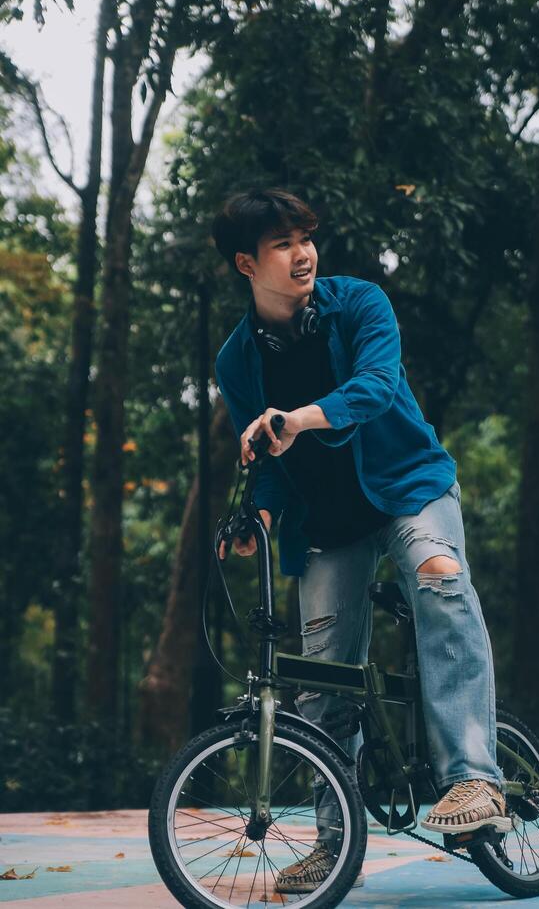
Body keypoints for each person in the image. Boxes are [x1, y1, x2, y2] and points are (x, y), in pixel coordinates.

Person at [213, 187, 510, 893]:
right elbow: (267, 466)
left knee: (440, 577)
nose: (302, 253)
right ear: (246, 264)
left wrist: (300, 417)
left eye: (305, 238)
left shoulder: (360, 303)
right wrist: (256, 518)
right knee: (319, 673)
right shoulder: (236, 363)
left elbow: (376, 385)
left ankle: (474, 781)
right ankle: (333, 839)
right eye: (283, 244)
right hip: (329, 525)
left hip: (409, 485)